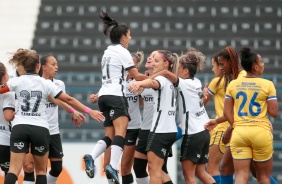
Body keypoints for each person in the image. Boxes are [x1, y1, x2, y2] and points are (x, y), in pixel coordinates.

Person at [0, 48, 104, 184]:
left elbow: (2, 89)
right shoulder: (46, 83)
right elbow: (69, 100)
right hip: (40, 128)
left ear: (25, 66)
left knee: (13, 170)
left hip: (20, 127)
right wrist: (89, 111)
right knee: (41, 171)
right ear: (38, 66)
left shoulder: (16, 82)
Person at [83, 10, 147, 184]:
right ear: (123, 37)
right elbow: (136, 75)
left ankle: (91, 155)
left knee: (110, 136)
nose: (130, 39)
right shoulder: (123, 51)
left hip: (103, 96)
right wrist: (157, 79)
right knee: (121, 132)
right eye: (129, 35)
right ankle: (111, 165)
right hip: (115, 96)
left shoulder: (107, 52)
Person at [148, 48, 216, 184]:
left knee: (189, 176)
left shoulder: (184, 84)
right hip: (204, 132)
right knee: (201, 172)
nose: (176, 70)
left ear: (186, 71)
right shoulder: (196, 82)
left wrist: (152, 76)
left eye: (178, 68)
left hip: (193, 133)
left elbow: (167, 74)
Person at [224, 47, 278, 184]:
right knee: (264, 177)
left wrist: (235, 126)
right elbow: (274, 112)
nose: (263, 65)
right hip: (260, 132)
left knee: (241, 176)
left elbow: (227, 112)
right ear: (255, 67)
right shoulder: (267, 84)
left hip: (240, 132)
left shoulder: (233, 84)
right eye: (261, 63)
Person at [128, 50, 179, 184]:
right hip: (166, 129)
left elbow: (153, 83)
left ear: (166, 64)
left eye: (156, 60)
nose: (153, 62)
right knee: (152, 168)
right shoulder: (170, 80)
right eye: (152, 59)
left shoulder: (161, 79)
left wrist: (139, 83)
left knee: (155, 170)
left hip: (160, 130)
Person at [39, 55, 86, 184]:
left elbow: (62, 100)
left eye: (57, 64)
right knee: (37, 168)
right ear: (43, 67)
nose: (56, 67)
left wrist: (72, 111)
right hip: (38, 130)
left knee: (57, 168)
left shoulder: (59, 84)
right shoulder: (37, 83)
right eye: (53, 64)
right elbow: (54, 99)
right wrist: (74, 110)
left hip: (53, 131)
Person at [202, 52, 231, 184]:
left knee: (212, 167)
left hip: (221, 130)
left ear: (221, 66)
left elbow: (202, 104)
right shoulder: (235, 81)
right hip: (234, 128)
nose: (213, 69)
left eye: (214, 66)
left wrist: (203, 93)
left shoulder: (217, 81)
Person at [133, 51, 157, 184]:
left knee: (157, 169)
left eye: (153, 58)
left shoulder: (163, 81)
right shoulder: (144, 80)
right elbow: (144, 103)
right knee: (138, 166)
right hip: (145, 128)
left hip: (158, 130)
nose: (149, 58)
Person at [121, 51, 145, 184]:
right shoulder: (116, 80)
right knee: (110, 165)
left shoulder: (137, 82)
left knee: (125, 168)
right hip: (118, 128)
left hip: (134, 127)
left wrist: (140, 93)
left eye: (132, 65)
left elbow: (142, 103)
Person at [0, 62, 15, 177]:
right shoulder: (8, 94)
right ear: (4, 76)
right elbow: (8, 116)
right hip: (5, 137)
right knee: (10, 172)